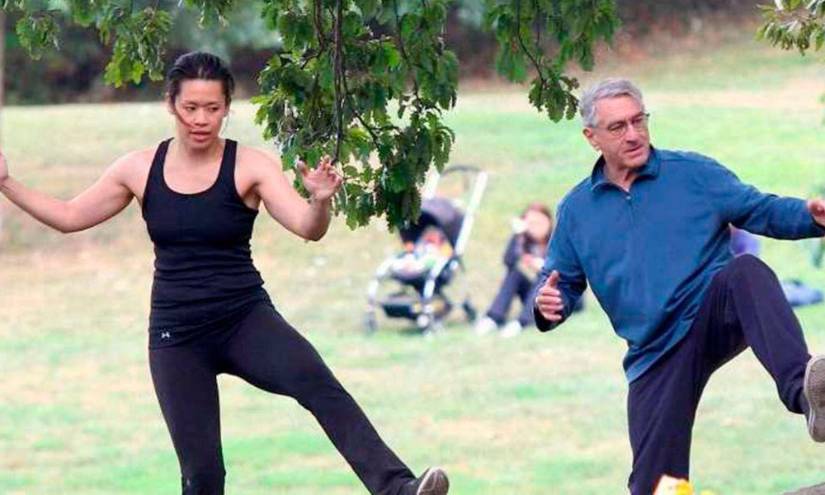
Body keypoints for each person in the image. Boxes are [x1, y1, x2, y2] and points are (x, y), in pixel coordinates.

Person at [0, 52, 449, 495]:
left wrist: (319, 201)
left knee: (318, 385)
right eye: (191, 107)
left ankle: (397, 488)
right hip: (178, 334)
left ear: (227, 108)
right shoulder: (137, 169)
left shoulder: (250, 166)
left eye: (213, 108)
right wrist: (6, 183)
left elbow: (307, 229)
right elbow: (69, 216)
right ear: (171, 104)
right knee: (203, 477)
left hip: (244, 318)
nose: (201, 119)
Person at [532, 78, 825, 494]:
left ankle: (808, 395)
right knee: (655, 486)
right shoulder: (577, 210)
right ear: (591, 137)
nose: (633, 134)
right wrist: (547, 304)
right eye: (618, 127)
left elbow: (760, 209)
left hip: (710, 311)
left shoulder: (694, 173)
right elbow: (558, 282)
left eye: (638, 120)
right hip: (654, 352)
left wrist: (811, 217)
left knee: (747, 272)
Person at [475, 203, 559, 337]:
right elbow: (508, 261)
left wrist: (544, 266)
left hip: (561, 297)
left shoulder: (558, 240)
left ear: (549, 222)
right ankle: (493, 318)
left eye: (539, 223)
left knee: (545, 276)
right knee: (515, 273)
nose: (535, 227)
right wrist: (517, 235)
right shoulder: (525, 241)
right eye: (531, 223)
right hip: (537, 296)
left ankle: (522, 322)